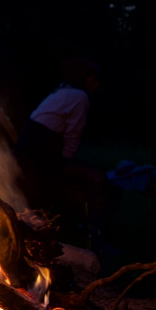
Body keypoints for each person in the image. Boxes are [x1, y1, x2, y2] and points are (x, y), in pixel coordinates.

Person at [13, 59, 100, 209]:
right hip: (37, 155)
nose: (96, 84)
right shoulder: (80, 96)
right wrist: (66, 165)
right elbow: (73, 135)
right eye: (94, 79)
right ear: (84, 78)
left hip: (27, 150)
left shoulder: (64, 91)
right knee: (97, 178)